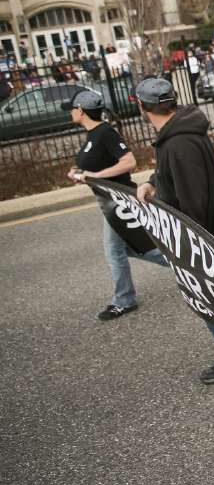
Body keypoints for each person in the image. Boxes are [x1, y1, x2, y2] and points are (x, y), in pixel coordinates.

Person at [132, 77, 214, 385]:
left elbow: (193, 200)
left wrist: (189, 247)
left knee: (207, 299)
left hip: (205, 236)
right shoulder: (177, 131)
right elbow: (174, 176)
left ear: (142, 106)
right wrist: (154, 184)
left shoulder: (178, 142)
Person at [63, 89, 169, 320]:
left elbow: (128, 161)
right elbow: (97, 166)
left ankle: (124, 300)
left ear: (80, 110)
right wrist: (82, 173)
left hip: (119, 199)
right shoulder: (93, 134)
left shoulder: (104, 133)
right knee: (128, 248)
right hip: (109, 200)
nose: (70, 113)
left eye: (71, 109)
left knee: (114, 251)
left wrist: (96, 176)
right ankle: (183, 264)